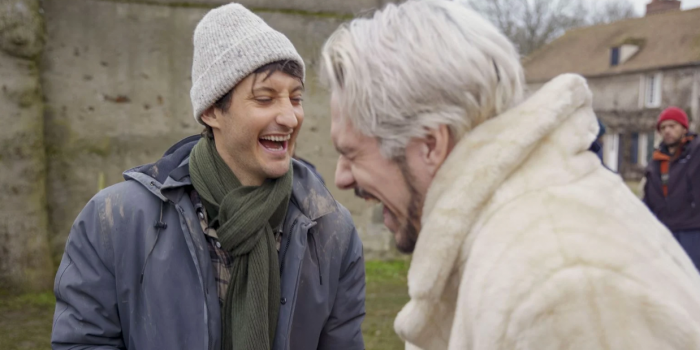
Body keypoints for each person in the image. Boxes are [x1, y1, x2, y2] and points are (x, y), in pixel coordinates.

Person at [320, 1, 700, 349]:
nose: (341, 178)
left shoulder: (563, 287)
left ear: (431, 145)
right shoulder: (510, 239)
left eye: (351, 154)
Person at [51, 4, 365, 350]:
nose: (290, 118)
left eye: (296, 98)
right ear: (212, 110)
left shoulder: (330, 232)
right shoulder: (114, 223)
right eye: (265, 98)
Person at [643, 107, 700, 270]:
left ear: (684, 128)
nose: (667, 130)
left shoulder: (697, 152)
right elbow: (648, 196)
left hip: (693, 229)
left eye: (672, 126)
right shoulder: (656, 161)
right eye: (663, 127)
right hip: (665, 230)